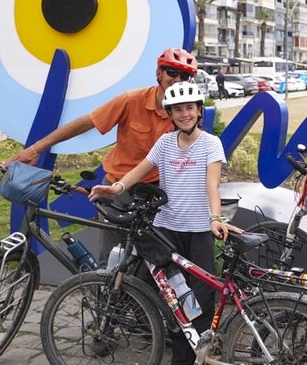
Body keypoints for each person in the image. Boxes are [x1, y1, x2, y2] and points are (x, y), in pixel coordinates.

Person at [89, 81, 241, 365]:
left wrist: (215, 217)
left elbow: (213, 183)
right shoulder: (165, 143)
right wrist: (116, 188)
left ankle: (201, 351)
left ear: (199, 111)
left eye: (190, 108)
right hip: (167, 231)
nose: (185, 114)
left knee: (203, 297)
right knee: (173, 297)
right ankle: (181, 355)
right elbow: (140, 170)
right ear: (170, 115)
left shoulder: (210, 143)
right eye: (178, 110)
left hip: (198, 232)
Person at [6, 47, 199, 263]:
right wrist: (35, 149)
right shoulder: (130, 100)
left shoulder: (185, 115)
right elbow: (85, 123)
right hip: (116, 188)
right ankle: (105, 295)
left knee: (155, 256)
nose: (177, 79)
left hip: (156, 191)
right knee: (112, 256)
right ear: (159, 74)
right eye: (172, 72)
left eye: (185, 75)